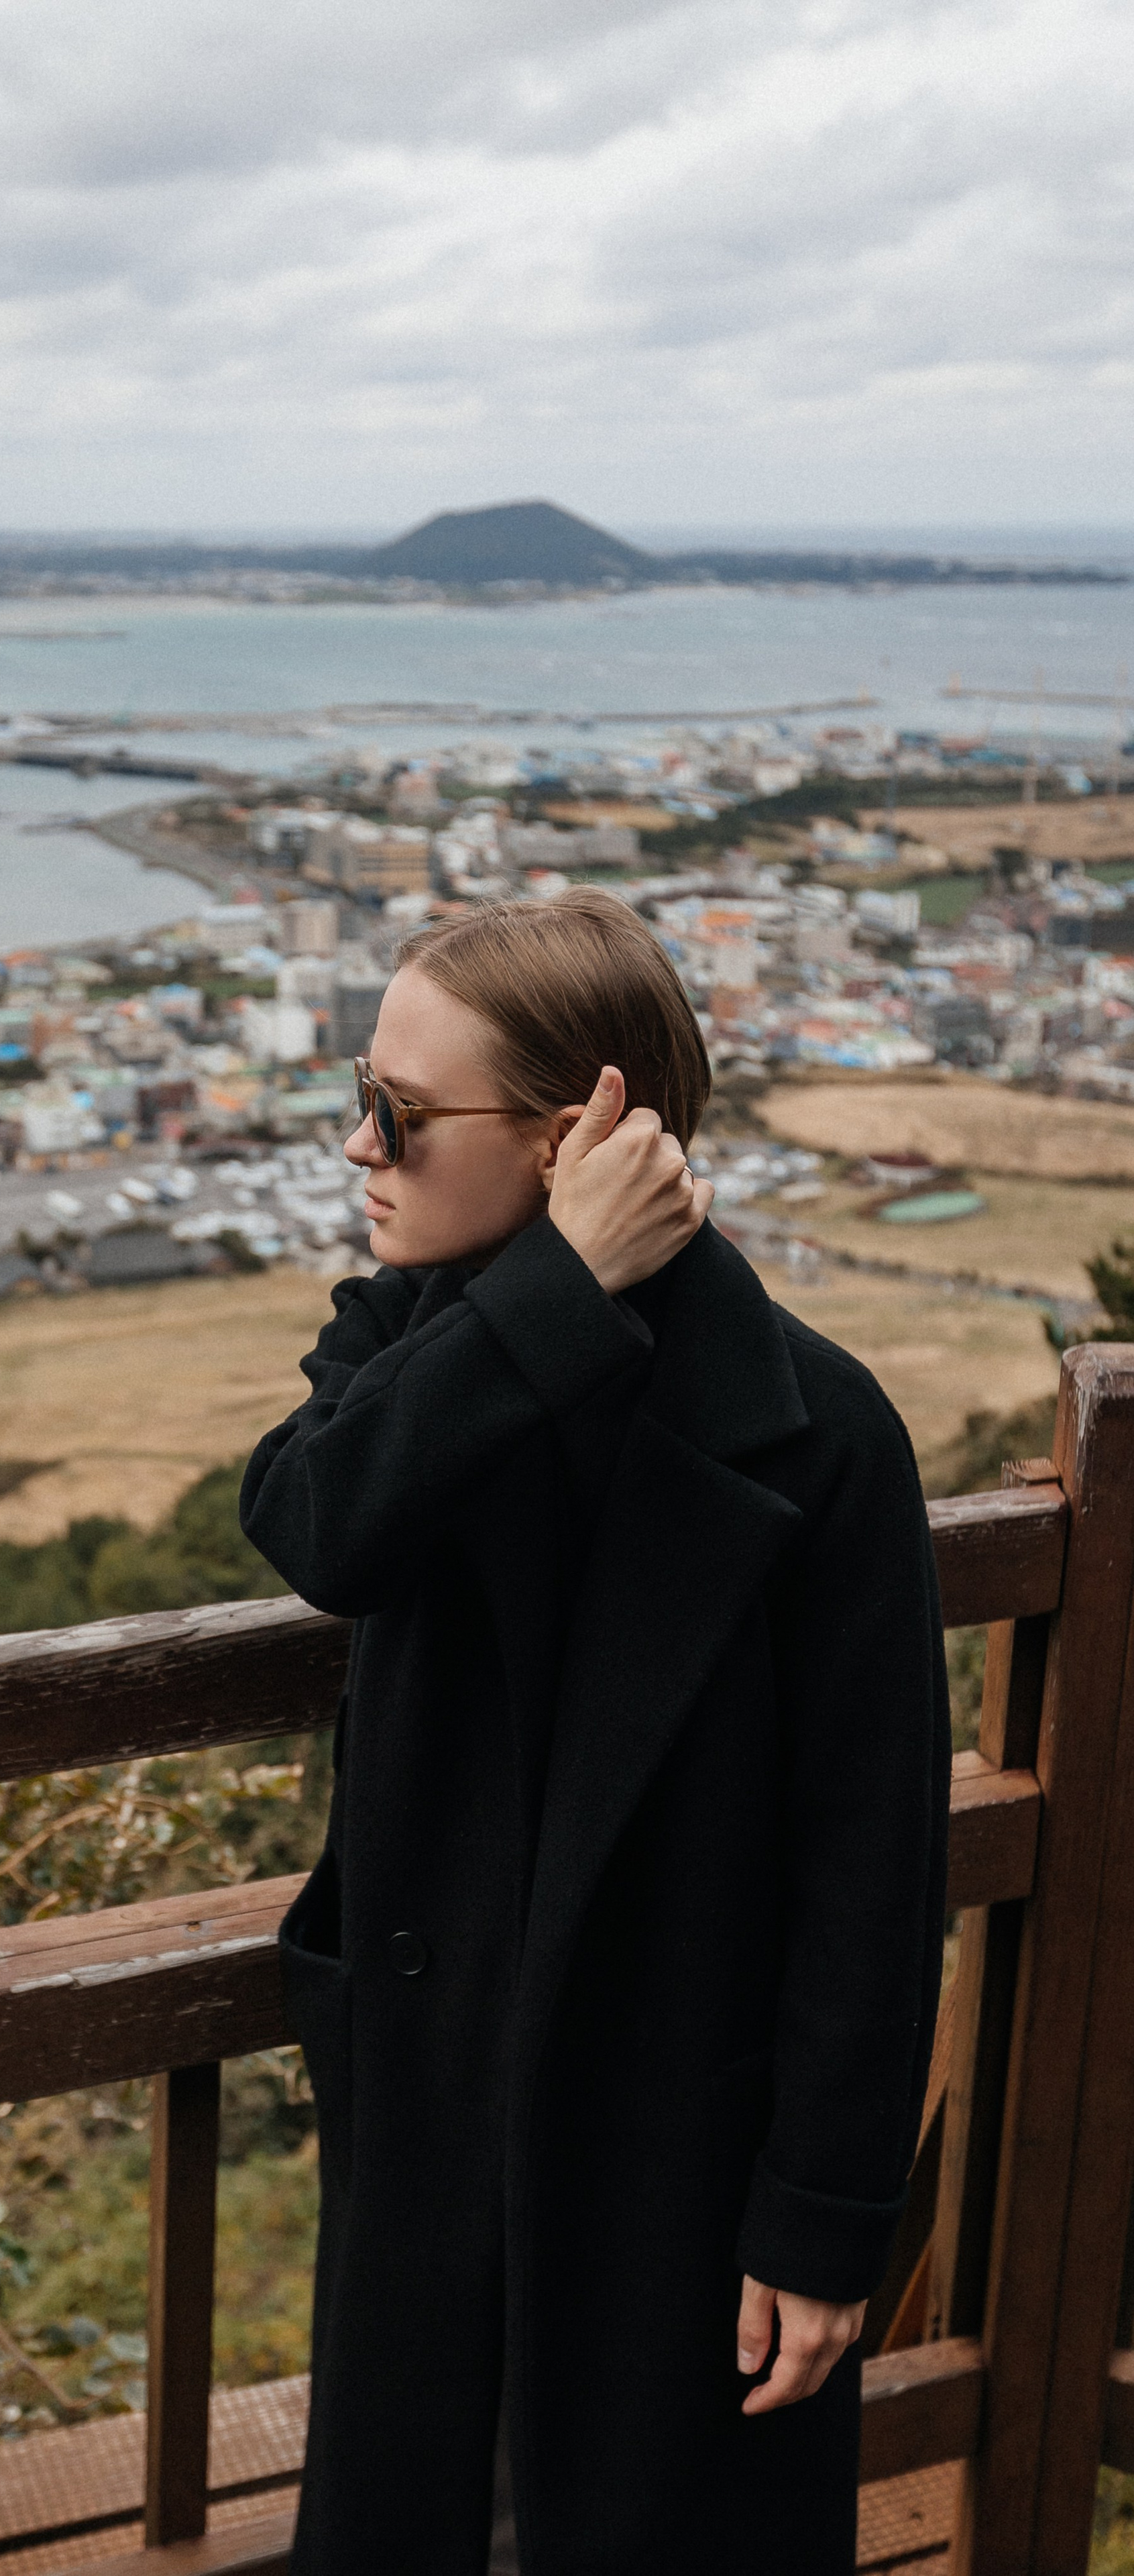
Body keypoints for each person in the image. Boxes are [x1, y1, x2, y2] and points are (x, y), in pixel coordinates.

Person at [239, 891, 949, 2576]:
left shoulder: (813, 1431)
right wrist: (551, 1292)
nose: (358, 1142)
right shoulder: (404, 1344)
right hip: (434, 2113)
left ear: (573, 1139)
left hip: (681, 2169)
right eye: (361, 1091)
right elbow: (317, 1522)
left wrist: (824, 2224)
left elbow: (869, 1866)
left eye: (400, 1116)